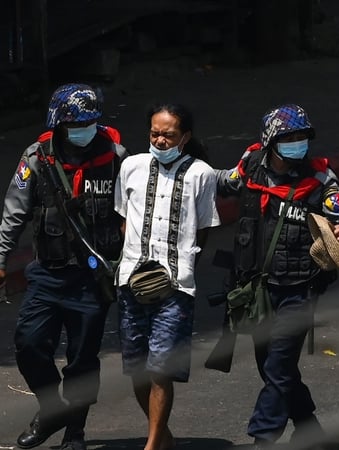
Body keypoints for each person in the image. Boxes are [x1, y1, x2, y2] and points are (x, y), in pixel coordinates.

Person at [0, 83, 128, 450]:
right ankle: (53, 410)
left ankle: (75, 434)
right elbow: (14, 212)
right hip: (48, 274)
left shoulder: (117, 158)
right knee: (30, 344)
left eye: (88, 123)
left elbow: (132, 212)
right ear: (58, 124)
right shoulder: (37, 158)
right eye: (75, 125)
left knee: (82, 360)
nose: (83, 131)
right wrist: (0, 259)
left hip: (93, 279)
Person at [216, 104, 339, 448]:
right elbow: (223, 183)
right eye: (289, 138)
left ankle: (262, 438)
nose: (297, 144)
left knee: (279, 366)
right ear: (270, 141)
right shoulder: (250, 166)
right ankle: (310, 428)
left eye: (302, 137)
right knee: (271, 365)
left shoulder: (320, 179)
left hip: (299, 289)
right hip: (257, 288)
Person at [114, 103, 221, 450]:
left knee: (161, 369)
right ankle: (163, 437)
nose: (160, 140)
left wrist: (183, 263)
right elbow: (124, 218)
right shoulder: (131, 166)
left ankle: (152, 445)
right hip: (131, 281)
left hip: (176, 287)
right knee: (137, 368)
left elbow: (203, 227)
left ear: (185, 137)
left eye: (169, 135)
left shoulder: (201, 174)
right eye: (155, 134)